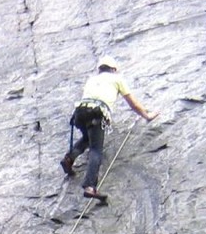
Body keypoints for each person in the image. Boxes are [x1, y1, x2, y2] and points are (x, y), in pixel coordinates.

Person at [61, 55, 158, 201]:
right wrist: (147, 115)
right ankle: (89, 186)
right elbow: (133, 104)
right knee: (96, 149)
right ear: (113, 69)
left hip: (79, 113)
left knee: (88, 137)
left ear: (100, 69)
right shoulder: (117, 79)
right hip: (97, 113)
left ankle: (70, 158)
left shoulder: (92, 79)